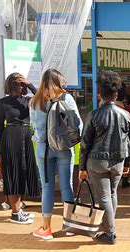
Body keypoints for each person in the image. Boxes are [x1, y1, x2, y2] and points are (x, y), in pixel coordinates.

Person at [79, 70, 130, 245]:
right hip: (118, 161)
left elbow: (85, 143)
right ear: (116, 93)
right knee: (111, 194)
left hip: (97, 162)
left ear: (99, 93)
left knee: (104, 197)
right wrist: (128, 163)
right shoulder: (125, 115)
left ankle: (110, 231)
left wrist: (81, 167)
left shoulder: (94, 115)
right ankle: (108, 227)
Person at [30, 69, 83, 240]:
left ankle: (46, 228)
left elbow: (34, 127)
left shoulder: (35, 102)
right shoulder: (66, 98)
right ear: (59, 81)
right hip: (64, 148)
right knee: (66, 186)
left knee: (47, 187)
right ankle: (69, 226)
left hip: (43, 149)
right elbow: (78, 125)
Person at [0, 73, 39, 224]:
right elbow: (0, 127)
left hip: (25, 137)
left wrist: (29, 84)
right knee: (13, 173)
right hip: (10, 137)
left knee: (23, 172)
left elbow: (43, 98)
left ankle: (18, 209)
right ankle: (15, 213)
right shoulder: (3, 102)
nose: (19, 87)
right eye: (16, 84)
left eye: (21, 85)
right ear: (10, 86)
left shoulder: (28, 101)